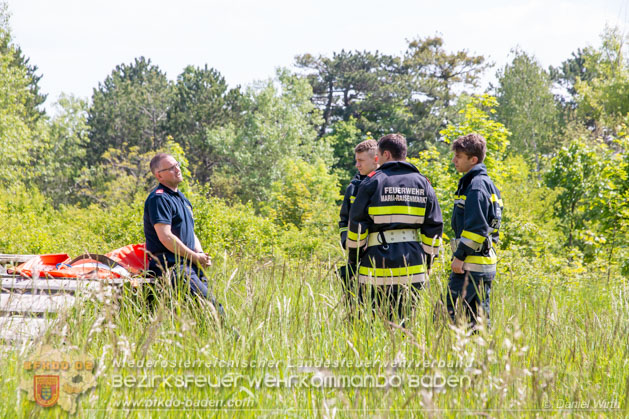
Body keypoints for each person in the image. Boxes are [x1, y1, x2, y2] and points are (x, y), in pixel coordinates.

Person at [347, 134, 443, 321]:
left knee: (372, 325)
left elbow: (356, 225)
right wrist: (429, 262)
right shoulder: (423, 183)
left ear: (387, 154)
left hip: (376, 266)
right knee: (406, 325)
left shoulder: (372, 181)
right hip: (413, 265)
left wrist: (354, 260)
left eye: (379, 155)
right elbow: (434, 227)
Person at [143, 153, 221, 310]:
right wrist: (194, 257)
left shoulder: (182, 199)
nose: (177, 169)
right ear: (159, 176)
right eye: (171, 168)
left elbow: (190, 232)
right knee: (212, 309)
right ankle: (231, 336)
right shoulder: (159, 199)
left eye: (176, 165)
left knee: (202, 316)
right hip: (171, 266)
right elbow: (165, 237)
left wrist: (201, 255)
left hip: (190, 264)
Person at [447, 133, 503, 329]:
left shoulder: (476, 186)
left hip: (470, 265)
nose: (454, 160)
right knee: (478, 324)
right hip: (483, 264)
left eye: (459, 156)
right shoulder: (489, 185)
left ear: (474, 159)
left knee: (450, 319)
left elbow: (476, 229)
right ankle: (480, 359)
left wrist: (460, 257)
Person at [337, 139, 379, 296]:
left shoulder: (383, 185)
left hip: (378, 254)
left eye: (361, 160)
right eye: (356, 160)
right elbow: (344, 220)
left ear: (376, 159)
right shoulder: (353, 187)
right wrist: (346, 241)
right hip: (355, 256)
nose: (357, 165)